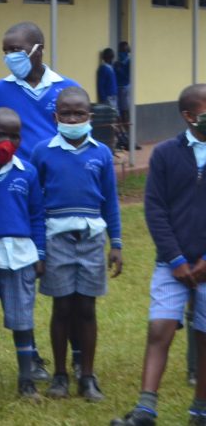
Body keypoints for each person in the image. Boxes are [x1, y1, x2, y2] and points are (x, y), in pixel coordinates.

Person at [111, 84, 206, 426]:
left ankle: (201, 410)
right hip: (171, 265)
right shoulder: (166, 153)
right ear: (188, 116)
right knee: (159, 329)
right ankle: (146, 409)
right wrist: (176, 260)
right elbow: (155, 209)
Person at [30, 86, 123, 402]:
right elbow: (35, 204)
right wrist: (38, 249)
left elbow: (110, 200)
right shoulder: (43, 152)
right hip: (56, 239)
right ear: (55, 117)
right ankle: (59, 375)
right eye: (66, 114)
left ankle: (87, 375)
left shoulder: (101, 153)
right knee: (62, 307)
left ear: (90, 117)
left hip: (92, 240)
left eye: (79, 114)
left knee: (86, 307)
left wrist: (116, 243)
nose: (72, 119)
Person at [0, 107, 46, 399]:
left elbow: (37, 215)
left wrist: (40, 252)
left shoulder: (27, 172)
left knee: (22, 321)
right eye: (0, 134)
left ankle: (26, 380)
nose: (7, 142)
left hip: (21, 258)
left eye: (14, 136)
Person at [0, 22, 80, 159]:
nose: (10, 56)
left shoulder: (69, 89)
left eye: (15, 50)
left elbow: (83, 136)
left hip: (56, 169)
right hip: (15, 171)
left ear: (38, 50)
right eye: (6, 52)